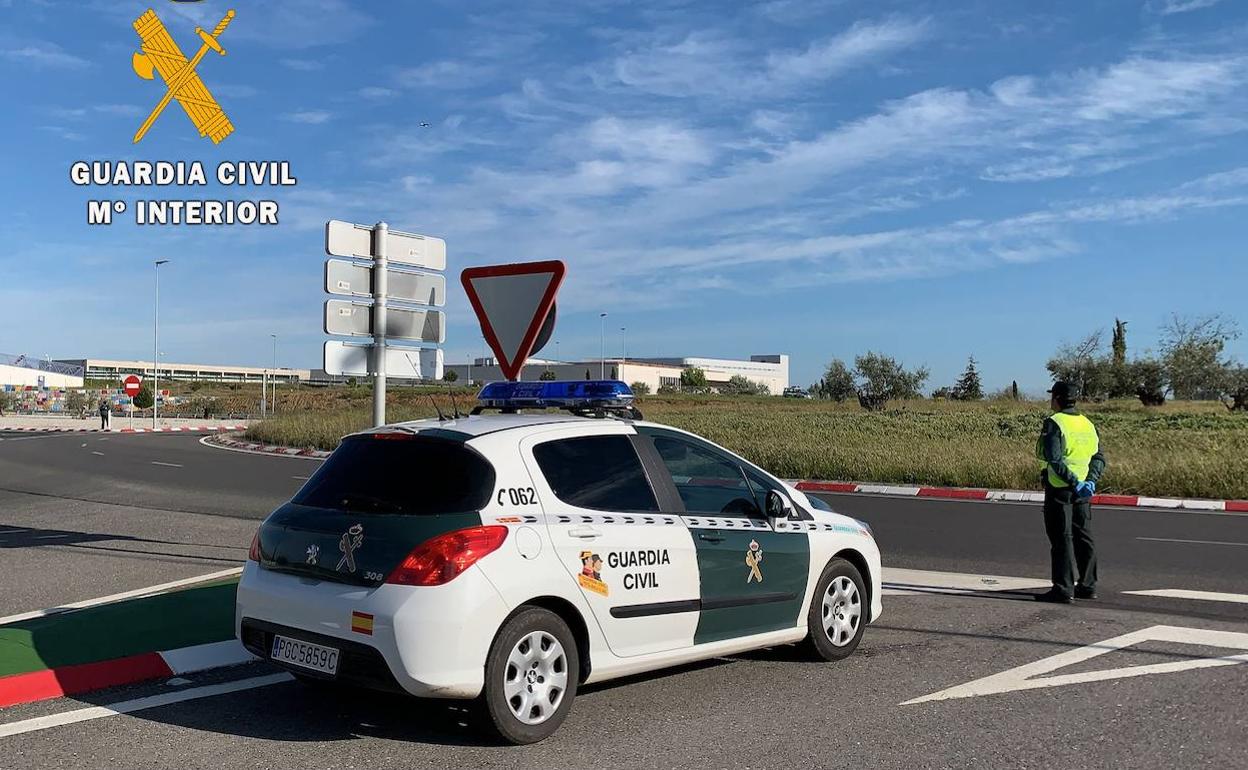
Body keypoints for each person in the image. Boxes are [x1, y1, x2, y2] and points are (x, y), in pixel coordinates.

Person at [1034, 381, 1106, 604]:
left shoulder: (1054, 423)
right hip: (1083, 491)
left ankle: (1063, 588)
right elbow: (1098, 457)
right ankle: (1088, 585)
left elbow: (1054, 460)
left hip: (1060, 490)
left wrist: (1075, 483)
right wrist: (1090, 481)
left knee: (1061, 538)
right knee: (1084, 536)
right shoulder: (1088, 424)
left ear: (1056, 398)